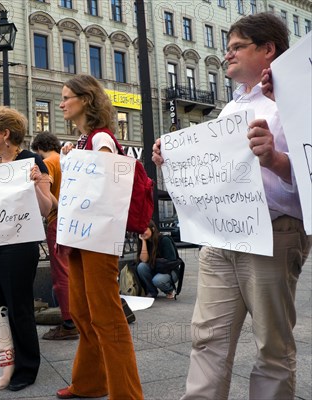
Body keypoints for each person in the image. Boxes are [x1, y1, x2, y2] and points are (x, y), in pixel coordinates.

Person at [152, 13, 311, 399]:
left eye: (237, 47)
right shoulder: (230, 109)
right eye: (227, 49)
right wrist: (174, 158)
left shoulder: (298, 99)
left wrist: (275, 159)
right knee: (207, 341)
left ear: (268, 49)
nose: (227, 56)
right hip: (221, 239)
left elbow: (308, 172)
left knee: (272, 347)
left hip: (273, 236)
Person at [55, 74, 143, 400]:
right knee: (82, 312)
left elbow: (107, 182)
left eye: (67, 97)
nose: (62, 103)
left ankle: (127, 394)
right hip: (82, 238)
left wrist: (77, 161)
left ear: (86, 100)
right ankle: (90, 383)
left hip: (98, 241)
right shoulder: (85, 140)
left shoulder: (101, 139)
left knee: (106, 317)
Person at [0, 106, 52, 392]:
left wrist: (35, 185)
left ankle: (26, 367)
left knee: (19, 308)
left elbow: (47, 208)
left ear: (5, 134)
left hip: (18, 247)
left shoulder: (32, 162)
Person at [30, 132, 78, 340]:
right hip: (74, 222)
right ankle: (77, 316)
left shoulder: (47, 163)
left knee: (61, 273)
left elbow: (46, 193)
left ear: (38, 148)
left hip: (56, 220)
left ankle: (68, 323)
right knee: (74, 270)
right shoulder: (66, 160)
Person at [135, 220, 179, 299]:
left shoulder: (164, 240)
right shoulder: (144, 242)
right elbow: (144, 260)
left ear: (153, 229)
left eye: (145, 229)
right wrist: (144, 242)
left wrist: (157, 262)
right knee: (141, 267)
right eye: (141, 230)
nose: (142, 232)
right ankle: (152, 292)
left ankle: (169, 290)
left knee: (157, 280)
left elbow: (171, 262)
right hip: (156, 268)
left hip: (170, 271)